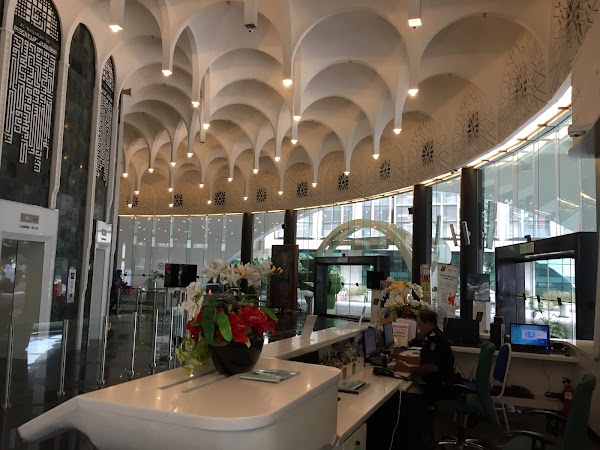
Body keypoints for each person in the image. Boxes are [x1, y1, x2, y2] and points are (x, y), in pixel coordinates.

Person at [390, 309, 457, 449]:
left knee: (402, 398)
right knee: (406, 392)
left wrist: (408, 370)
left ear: (428, 324)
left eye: (420, 325)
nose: (418, 328)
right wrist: (401, 357)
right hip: (439, 383)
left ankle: (420, 441)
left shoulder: (435, 340)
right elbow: (423, 360)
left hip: (440, 387)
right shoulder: (434, 336)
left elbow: (432, 367)